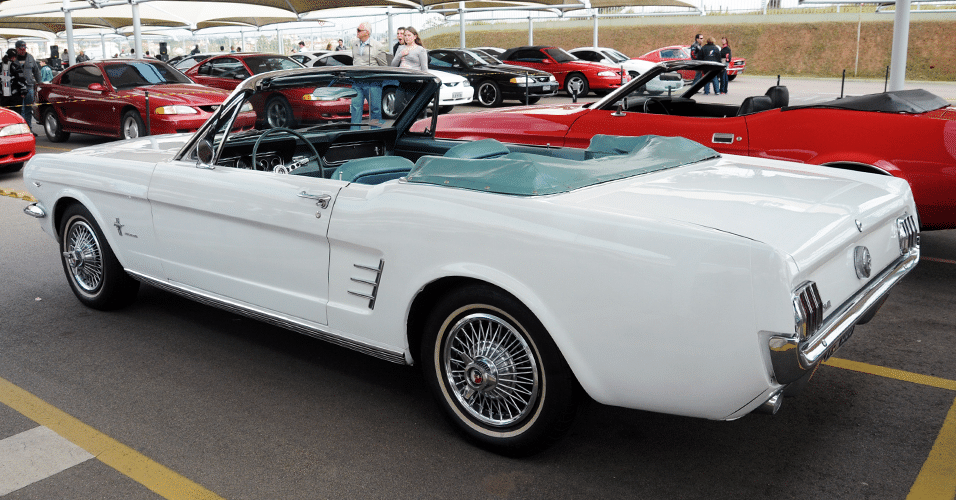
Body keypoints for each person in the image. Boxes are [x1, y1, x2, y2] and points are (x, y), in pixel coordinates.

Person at [350, 22, 388, 126]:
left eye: (359, 30)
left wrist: (377, 80)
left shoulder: (378, 46)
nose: (356, 32)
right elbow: (354, 61)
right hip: (356, 81)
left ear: (367, 32)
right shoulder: (354, 44)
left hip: (372, 82)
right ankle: (353, 135)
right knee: (355, 108)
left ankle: (375, 134)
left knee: (375, 110)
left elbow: (384, 66)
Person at [14, 41, 40, 130]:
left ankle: (29, 129)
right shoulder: (13, 59)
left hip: (29, 87)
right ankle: (20, 129)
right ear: (17, 49)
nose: (23, 50)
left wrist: (39, 83)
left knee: (28, 109)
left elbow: (36, 71)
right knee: (19, 110)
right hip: (17, 89)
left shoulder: (30, 57)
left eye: (24, 48)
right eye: (21, 49)